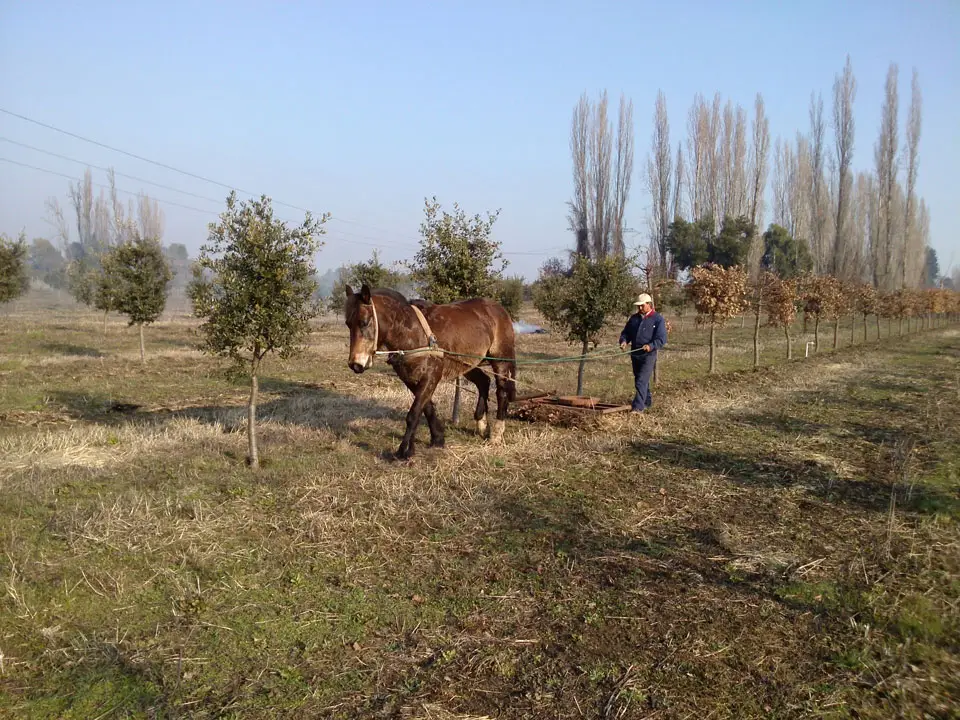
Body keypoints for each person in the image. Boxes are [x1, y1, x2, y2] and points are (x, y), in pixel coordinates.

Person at [619, 293, 667, 413]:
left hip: (649, 355)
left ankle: (638, 408)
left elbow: (661, 339)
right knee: (639, 379)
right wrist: (624, 341)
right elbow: (626, 333)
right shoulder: (634, 319)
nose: (640, 308)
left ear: (649, 304)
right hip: (635, 353)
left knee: (641, 380)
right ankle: (647, 401)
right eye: (638, 306)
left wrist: (650, 346)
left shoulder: (658, 319)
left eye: (642, 305)